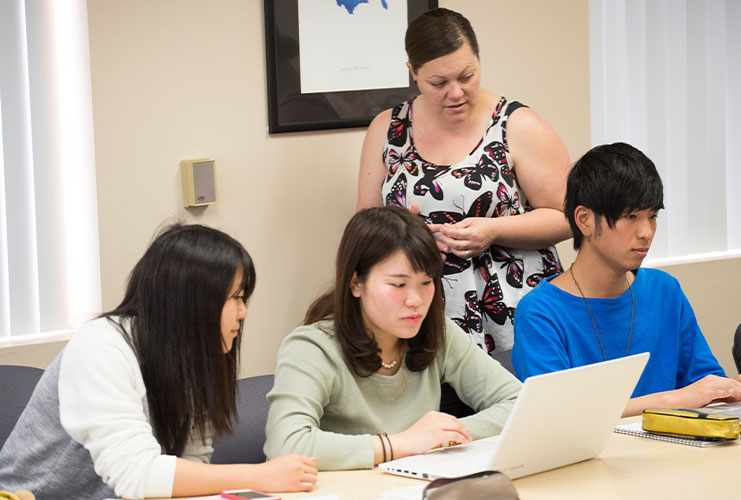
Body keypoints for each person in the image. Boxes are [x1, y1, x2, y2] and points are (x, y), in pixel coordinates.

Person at [0, 224, 317, 499]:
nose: (243, 311)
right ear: (192, 300)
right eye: (234, 297)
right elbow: (135, 474)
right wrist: (258, 476)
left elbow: (191, 462)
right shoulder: (101, 346)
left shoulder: (195, 356)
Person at [357, 7, 572, 354]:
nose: (455, 93)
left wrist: (494, 230)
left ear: (478, 56)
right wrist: (404, 234)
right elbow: (363, 225)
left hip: (512, 307)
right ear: (413, 73)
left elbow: (568, 216)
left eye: (467, 76)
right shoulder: (388, 129)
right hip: (418, 309)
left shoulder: (517, 125)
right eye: (438, 84)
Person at [511, 142, 741, 416]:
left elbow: (702, 384)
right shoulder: (540, 313)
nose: (647, 231)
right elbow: (557, 416)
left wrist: (733, 390)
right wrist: (673, 400)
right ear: (585, 220)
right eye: (631, 216)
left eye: (653, 216)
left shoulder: (664, 290)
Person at [264, 206, 521, 470]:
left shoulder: (436, 331)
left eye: (426, 282)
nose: (415, 301)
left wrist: (442, 435)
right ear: (355, 283)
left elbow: (518, 404)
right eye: (398, 285)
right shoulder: (312, 347)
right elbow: (286, 445)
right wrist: (402, 443)